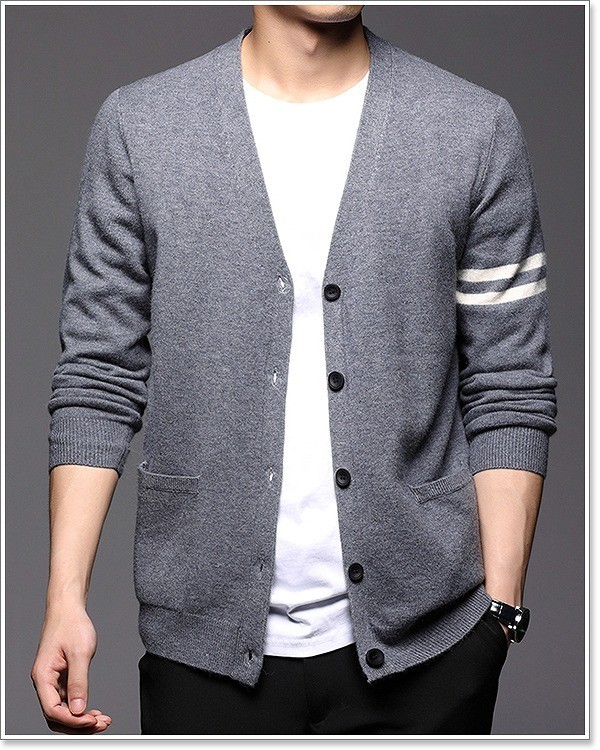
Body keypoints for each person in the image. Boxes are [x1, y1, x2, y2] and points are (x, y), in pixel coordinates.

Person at [31, 4, 558, 736]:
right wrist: (64, 598)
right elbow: (98, 375)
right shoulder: (142, 128)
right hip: (201, 653)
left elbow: (510, 381)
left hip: (431, 653)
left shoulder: (471, 129)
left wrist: (498, 615)